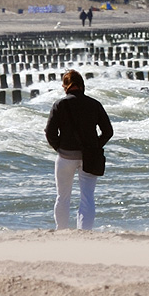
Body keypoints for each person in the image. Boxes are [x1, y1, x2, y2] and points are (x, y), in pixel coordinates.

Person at [44, 70, 114, 231]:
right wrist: (95, 146)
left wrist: (60, 148)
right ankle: (84, 232)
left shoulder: (59, 105)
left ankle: (61, 230)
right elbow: (108, 131)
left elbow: (50, 133)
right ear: (82, 85)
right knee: (87, 197)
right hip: (89, 157)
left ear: (65, 86)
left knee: (62, 196)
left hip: (65, 157)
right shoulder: (94, 104)